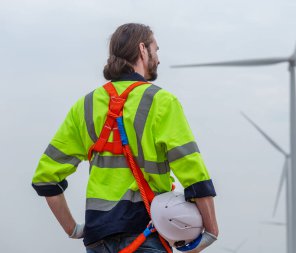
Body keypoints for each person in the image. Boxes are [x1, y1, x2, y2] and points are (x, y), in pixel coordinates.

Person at [31, 23, 219, 253]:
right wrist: (211, 231)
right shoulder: (161, 101)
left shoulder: (85, 106)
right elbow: (191, 168)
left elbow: (45, 178)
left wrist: (73, 229)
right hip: (146, 233)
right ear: (142, 49)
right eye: (156, 49)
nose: (158, 59)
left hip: (98, 238)